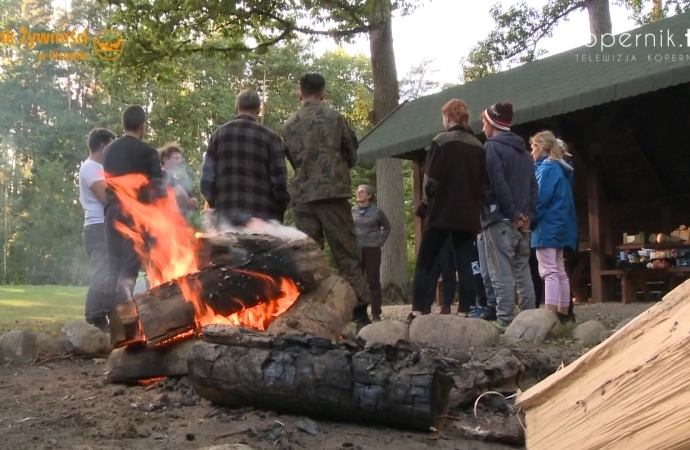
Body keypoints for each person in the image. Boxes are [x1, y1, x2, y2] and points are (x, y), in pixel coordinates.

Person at [283, 73, 372, 329]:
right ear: (323, 93)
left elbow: (292, 158)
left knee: (307, 255)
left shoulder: (289, 125)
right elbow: (352, 154)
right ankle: (359, 314)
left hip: (303, 197)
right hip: (333, 193)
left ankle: (306, 309)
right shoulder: (335, 118)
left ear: (300, 93)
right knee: (346, 251)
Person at [406, 99, 486, 324]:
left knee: (425, 262)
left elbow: (430, 180)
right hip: (468, 215)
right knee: (465, 263)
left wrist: (426, 204)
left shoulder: (441, 141)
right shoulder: (478, 146)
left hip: (441, 213)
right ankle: (464, 311)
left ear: (448, 117)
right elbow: (481, 183)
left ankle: (418, 311)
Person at [479, 101, 538, 332]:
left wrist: (512, 213)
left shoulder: (491, 148)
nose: (482, 127)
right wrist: (528, 215)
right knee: (522, 270)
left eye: (484, 122)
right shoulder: (524, 153)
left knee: (500, 271)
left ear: (491, 123)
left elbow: (497, 182)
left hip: (500, 220)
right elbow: (534, 186)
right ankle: (530, 318)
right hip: (522, 223)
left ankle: (504, 321)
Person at [102, 105, 165, 316]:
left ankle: (111, 316)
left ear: (124, 124)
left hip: (112, 211)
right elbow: (158, 190)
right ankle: (126, 316)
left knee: (113, 265)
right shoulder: (148, 152)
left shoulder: (109, 150)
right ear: (142, 125)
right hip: (135, 214)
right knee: (129, 267)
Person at [201, 89, 290, 225]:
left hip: (225, 218)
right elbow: (280, 182)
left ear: (237, 109)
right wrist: (277, 214)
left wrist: (216, 206)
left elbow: (207, 180)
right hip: (261, 220)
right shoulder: (271, 138)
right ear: (258, 110)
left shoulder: (217, 136)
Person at [529, 131, 578, 324]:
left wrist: (530, 220)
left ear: (541, 147)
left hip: (546, 226)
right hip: (560, 226)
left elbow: (540, 199)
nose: (531, 151)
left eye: (533, 147)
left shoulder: (547, 169)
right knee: (559, 269)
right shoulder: (562, 169)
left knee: (548, 270)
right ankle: (563, 312)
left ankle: (549, 316)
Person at [78, 128, 117, 330]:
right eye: (112, 145)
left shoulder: (99, 169)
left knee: (111, 270)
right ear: (103, 146)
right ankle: (94, 317)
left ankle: (107, 315)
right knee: (102, 269)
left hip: (104, 225)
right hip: (97, 227)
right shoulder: (90, 168)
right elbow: (106, 197)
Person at [352, 184, 391, 322]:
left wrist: (379, 241)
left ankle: (376, 312)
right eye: (358, 191)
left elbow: (387, 227)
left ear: (369, 195)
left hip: (372, 249)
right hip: (357, 249)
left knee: (373, 280)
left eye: (362, 192)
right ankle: (356, 312)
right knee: (356, 280)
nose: (358, 193)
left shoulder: (377, 212)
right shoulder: (352, 211)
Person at [159, 143, 199, 219]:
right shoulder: (158, 175)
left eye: (180, 158)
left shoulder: (178, 180)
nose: (179, 161)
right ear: (165, 159)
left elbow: (194, 203)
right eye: (176, 158)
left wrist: (191, 200)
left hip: (178, 224)